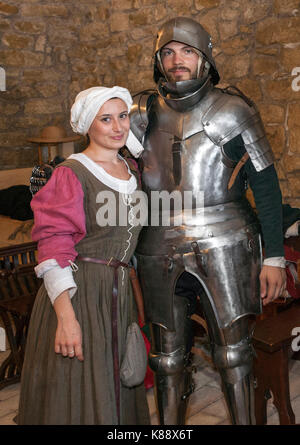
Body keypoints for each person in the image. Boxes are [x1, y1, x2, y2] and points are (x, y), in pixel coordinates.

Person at [130, 17, 286, 425]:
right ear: (158, 60)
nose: (176, 60)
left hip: (226, 242)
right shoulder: (139, 114)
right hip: (158, 245)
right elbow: (111, 172)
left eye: (187, 51)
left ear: (205, 57)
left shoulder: (233, 111)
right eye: (168, 52)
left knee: (234, 355)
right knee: (165, 360)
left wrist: (274, 257)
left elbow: (266, 187)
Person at [18, 86, 150, 425]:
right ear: (87, 125)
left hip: (118, 295)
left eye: (122, 116)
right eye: (106, 119)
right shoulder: (71, 173)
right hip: (80, 294)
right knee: (80, 396)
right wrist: (66, 317)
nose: (118, 127)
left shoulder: (132, 170)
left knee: (118, 385)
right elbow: (52, 248)